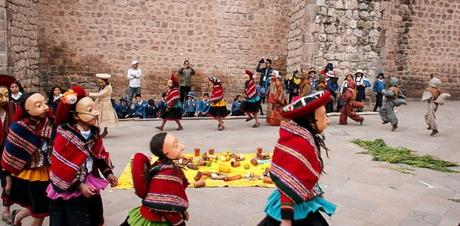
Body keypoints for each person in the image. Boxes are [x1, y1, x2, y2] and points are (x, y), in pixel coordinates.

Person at [259, 91, 336, 226]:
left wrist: (317, 192)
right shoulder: (299, 143)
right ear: (311, 120)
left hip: (303, 198)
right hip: (290, 203)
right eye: (324, 115)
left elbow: (303, 174)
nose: (327, 120)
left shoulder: (305, 137)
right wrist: (286, 220)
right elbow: (288, 180)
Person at [48, 86, 117, 226]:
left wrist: (108, 173)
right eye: (90, 110)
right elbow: (60, 167)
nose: (96, 113)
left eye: (95, 108)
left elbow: (99, 156)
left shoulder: (94, 134)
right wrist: (79, 185)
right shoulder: (64, 136)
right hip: (71, 187)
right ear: (75, 116)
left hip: (91, 181)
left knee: (93, 216)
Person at [1, 93, 53, 226]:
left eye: (45, 104)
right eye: (38, 105)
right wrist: (7, 177)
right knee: (40, 210)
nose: (45, 108)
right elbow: (10, 155)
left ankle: (17, 217)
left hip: (47, 171)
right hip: (28, 174)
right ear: (27, 109)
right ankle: (17, 217)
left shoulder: (49, 122)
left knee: (39, 207)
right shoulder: (19, 127)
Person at [121, 132, 189, 226]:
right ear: (165, 152)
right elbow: (166, 205)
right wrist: (179, 223)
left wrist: (180, 210)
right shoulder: (167, 173)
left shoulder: (161, 164)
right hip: (158, 220)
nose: (182, 146)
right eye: (175, 145)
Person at [0, 75, 16, 224]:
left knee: (7, 180)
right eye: (0, 95)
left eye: (6, 95)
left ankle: (6, 210)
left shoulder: (13, 107)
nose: (4, 98)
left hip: (8, 150)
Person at [89, 73, 119, 138]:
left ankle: (105, 130)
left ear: (105, 81)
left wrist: (89, 94)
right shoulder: (102, 86)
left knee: (105, 117)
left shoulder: (108, 87)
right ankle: (96, 131)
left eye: (101, 82)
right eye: (99, 82)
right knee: (96, 116)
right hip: (100, 103)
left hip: (106, 104)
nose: (100, 84)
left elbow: (100, 94)